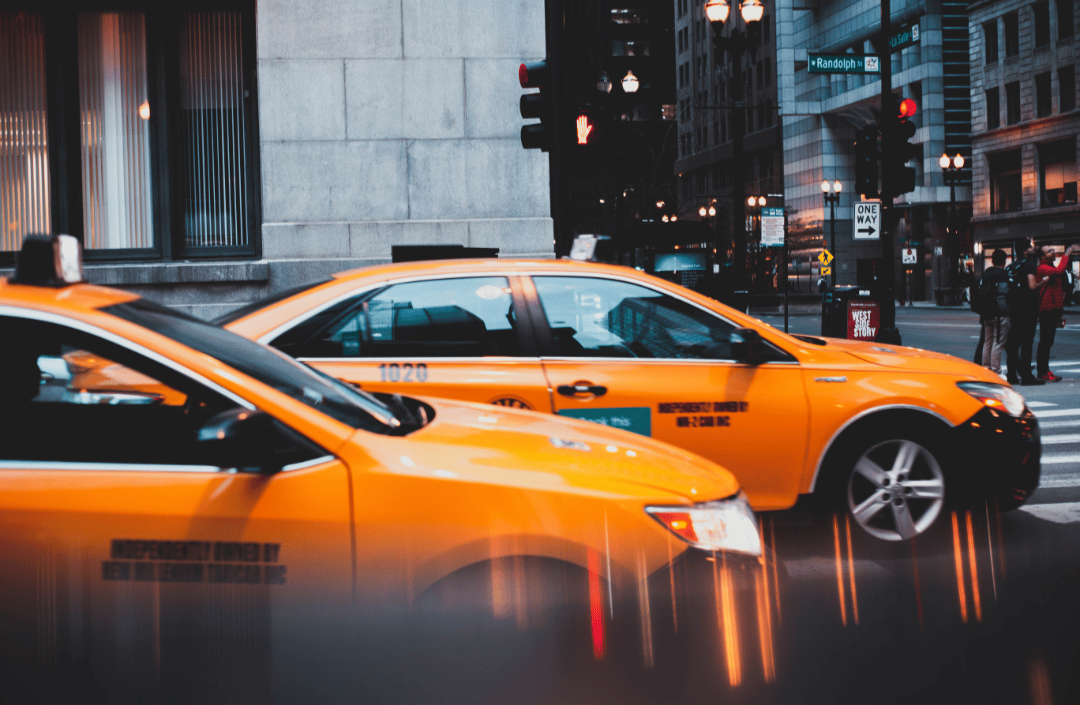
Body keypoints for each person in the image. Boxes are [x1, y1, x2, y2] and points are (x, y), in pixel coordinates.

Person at [1033, 243, 1080, 382]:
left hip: (1053, 309)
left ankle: (1044, 371)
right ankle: (1043, 371)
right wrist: (1067, 253)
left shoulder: (1050, 267)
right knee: (1045, 342)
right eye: (1049, 251)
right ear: (1042, 256)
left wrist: (1059, 312)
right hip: (1047, 310)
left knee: (1048, 341)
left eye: (1053, 251)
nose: (1053, 253)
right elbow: (1059, 271)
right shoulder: (1042, 268)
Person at [1005, 247, 1045, 385]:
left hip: (1014, 309)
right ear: (1024, 251)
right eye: (1029, 247)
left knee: (1013, 344)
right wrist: (1044, 281)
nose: (1033, 249)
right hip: (1028, 309)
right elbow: (1032, 285)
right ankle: (1027, 377)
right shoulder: (1029, 264)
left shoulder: (1011, 266)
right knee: (1027, 342)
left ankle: (1012, 375)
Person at [979, 249, 1012, 378]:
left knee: (987, 341)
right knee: (998, 342)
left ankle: (986, 368)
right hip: (1000, 312)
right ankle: (996, 371)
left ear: (992, 260)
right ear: (1005, 260)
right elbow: (1006, 293)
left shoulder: (986, 273)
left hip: (987, 312)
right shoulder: (1004, 274)